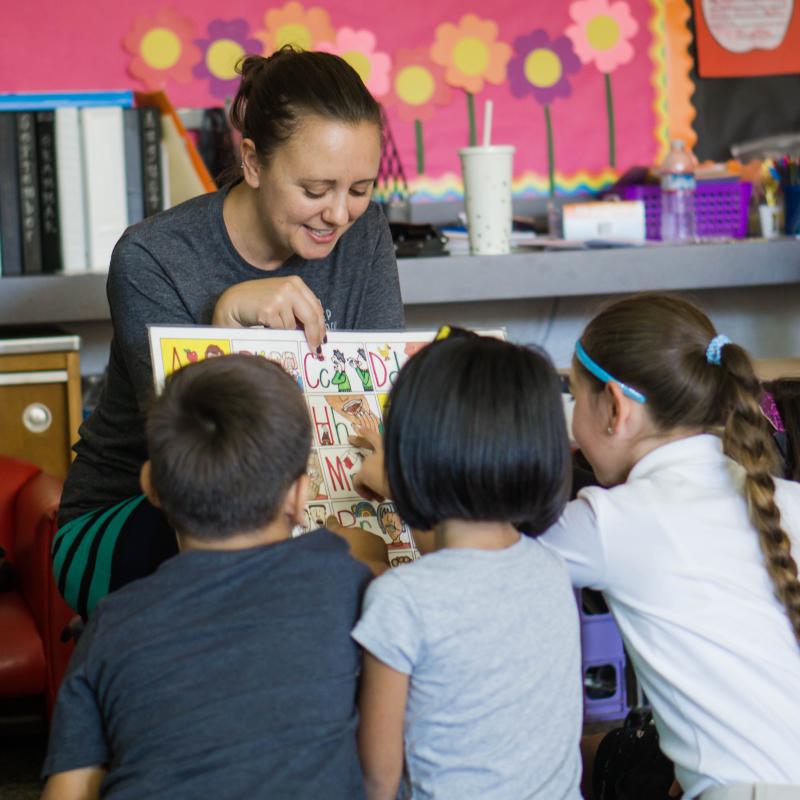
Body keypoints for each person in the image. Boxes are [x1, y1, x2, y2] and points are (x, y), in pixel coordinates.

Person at [54, 46, 403, 618]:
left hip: (318, 500)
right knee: (272, 564)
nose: (339, 214)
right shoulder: (152, 256)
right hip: (143, 510)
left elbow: (378, 410)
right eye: (315, 190)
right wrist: (226, 320)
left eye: (360, 189)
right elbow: (196, 464)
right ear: (253, 162)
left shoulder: (364, 238)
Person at [42, 354, 372, 800]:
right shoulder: (343, 579)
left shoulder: (112, 621)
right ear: (299, 494)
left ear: (151, 486)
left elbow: (70, 788)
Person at [540, 294, 800, 800]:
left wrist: (395, 481)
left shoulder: (611, 522)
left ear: (615, 408)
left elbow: (479, 557)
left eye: (575, 396)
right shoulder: (788, 500)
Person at [350, 333, 584, 800]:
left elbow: (377, 777)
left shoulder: (400, 598)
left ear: (408, 456)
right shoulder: (550, 569)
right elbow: (466, 587)